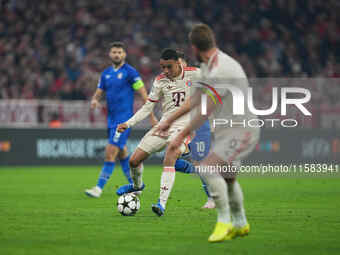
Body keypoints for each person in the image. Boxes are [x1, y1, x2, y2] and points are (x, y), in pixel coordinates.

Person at [155, 24, 260, 242]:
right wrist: (169, 121)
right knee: (229, 178)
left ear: (193, 47)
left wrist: (181, 131)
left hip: (242, 129)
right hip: (229, 130)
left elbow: (205, 108)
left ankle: (224, 223)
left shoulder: (220, 70)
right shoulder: (207, 67)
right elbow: (194, 99)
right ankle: (241, 223)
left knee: (209, 168)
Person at [116, 48, 201, 216]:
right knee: (134, 161)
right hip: (164, 126)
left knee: (170, 154)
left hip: (185, 127)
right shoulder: (160, 80)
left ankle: (161, 204)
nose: (165, 71)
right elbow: (148, 107)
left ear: (178, 63)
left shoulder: (195, 74)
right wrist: (128, 123)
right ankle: (137, 186)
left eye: (169, 67)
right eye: (163, 67)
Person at [85, 41, 157, 198]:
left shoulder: (130, 72)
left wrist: (151, 116)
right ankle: (137, 186)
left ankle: (98, 188)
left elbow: (144, 93)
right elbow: (99, 90)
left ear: (124, 54)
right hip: (111, 119)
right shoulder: (106, 74)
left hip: (123, 121)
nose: (117, 55)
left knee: (110, 151)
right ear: (110, 54)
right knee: (122, 153)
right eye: (114, 52)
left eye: (119, 52)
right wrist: (95, 100)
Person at [174, 50, 215, 209]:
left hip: (199, 126)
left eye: (179, 63)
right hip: (180, 126)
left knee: (201, 162)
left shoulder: (196, 78)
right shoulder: (171, 82)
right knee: (171, 160)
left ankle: (211, 198)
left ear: (185, 63)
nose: (177, 66)